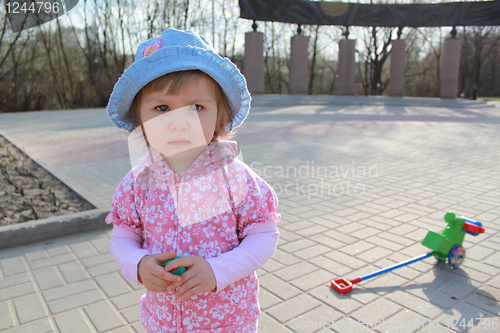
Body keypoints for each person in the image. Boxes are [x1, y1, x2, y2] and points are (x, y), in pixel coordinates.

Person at [105, 28, 280, 332]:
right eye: (162, 108)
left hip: (227, 320)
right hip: (164, 320)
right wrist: (137, 263)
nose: (178, 122)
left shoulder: (235, 178)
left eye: (196, 107)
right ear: (140, 120)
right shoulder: (137, 183)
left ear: (220, 117)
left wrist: (218, 270)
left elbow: (264, 234)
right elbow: (123, 238)